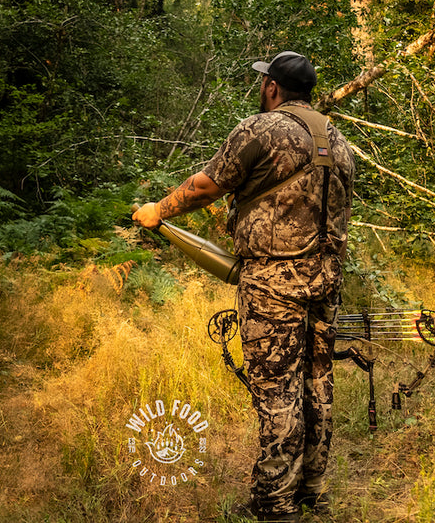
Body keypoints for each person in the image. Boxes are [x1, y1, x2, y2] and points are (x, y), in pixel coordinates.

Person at [133, 51, 356, 522]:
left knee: (278, 390)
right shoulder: (338, 141)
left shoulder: (261, 129)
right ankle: (313, 490)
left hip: (273, 285)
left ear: (272, 87)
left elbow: (206, 187)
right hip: (326, 281)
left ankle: (275, 502)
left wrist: (158, 210)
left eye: (263, 82)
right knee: (317, 382)